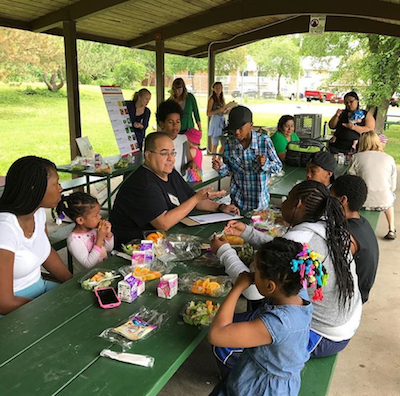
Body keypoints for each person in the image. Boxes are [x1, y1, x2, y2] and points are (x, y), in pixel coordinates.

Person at [212, 180, 362, 359]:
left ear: (298, 205)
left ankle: (246, 383)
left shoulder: (298, 239)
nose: (283, 203)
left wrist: (223, 251)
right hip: (345, 319)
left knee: (224, 343)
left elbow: (254, 291)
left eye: (287, 199)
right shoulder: (328, 226)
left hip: (322, 332)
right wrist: (247, 232)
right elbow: (286, 253)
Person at [208, 238, 314, 396]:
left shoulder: (279, 323)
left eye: (255, 271)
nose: (251, 272)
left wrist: (238, 287)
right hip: (266, 374)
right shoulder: (298, 293)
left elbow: (216, 335)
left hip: (262, 388)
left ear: (270, 286)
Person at [110, 132, 240, 248]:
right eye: (164, 153)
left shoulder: (169, 173)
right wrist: (196, 198)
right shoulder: (142, 183)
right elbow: (163, 223)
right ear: (148, 156)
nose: (170, 158)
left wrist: (221, 207)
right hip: (133, 248)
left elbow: (191, 199)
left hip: (159, 241)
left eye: (172, 153)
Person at [0, 156, 73, 316]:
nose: (60, 188)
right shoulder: (5, 229)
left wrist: (73, 283)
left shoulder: (38, 213)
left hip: (40, 290)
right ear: (34, 188)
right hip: (14, 308)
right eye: (55, 184)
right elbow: (4, 303)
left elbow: (45, 252)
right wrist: (48, 309)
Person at [212, 106, 282, 211]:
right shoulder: (229, 144)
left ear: (251, 125)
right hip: (237, 203)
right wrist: (220, 167)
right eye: (233, 129)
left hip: (260, 205)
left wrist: (265, 163)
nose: (236, 132)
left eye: (240, 128)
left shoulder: (264, 142)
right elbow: (229, 171)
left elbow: (278, 167)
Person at [331, 175, 379, 303]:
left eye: (331, 197)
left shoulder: (345, 236)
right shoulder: (361, 222)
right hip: (360, 291)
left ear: (342, 200)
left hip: (351, 299)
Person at [348, 131, 397, 240]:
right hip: (383, 200)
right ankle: (391, 229)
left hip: (363, 200)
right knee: (389, 202)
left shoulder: (356, 157)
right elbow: (392, 186)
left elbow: (352, 181)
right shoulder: (389, 158)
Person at [55, 192, 114, 272]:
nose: (100, 217)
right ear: (80, 220)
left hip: (103, 272)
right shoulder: (74, 240)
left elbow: (108, 249)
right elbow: (89, 264)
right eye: (95, 215)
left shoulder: (94, 229)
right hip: (87, 278)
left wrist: (108, 234)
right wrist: (99, 239)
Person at [156, 100, 191, 177]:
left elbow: (189, 160)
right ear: (161, 124)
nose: (175, 125)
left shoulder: (184, 139)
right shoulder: (156, 143)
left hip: (182, 183)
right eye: (170, 122)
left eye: (178, 122)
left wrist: (192, 164)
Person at [207, 82, 235, 155]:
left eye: (220, 87)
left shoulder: (222, 98)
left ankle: (219, 158)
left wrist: (227, 110)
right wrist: (221, 109)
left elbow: (223, 110)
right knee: (215, 143)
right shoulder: (212, 99)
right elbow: (208, 113)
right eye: (217, 87)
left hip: (222, 121)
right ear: (213, 89)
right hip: (215, 121)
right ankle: (214, 159)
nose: (218, 89)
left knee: (224, 143)